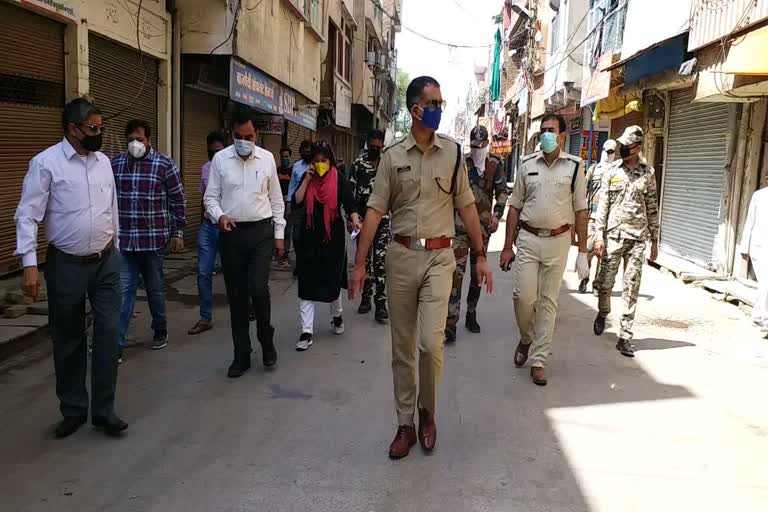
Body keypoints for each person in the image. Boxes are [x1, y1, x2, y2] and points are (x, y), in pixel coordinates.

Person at [349, 76, 493, 459]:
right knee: (402, 349)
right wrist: (360, 264)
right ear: (415, 109)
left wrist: (481, 255)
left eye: (442, 103)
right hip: (400, 258)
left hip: (440, 258)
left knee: (431, 344)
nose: (439, 109)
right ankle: (405, 424)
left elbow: (466, 207)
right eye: (434, 103)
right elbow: (375, 211)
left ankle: (427, 413)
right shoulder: (393, 156)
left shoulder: (453, 153)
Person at [15, 97, 127, 438]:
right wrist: (29, 264)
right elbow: (28, 214)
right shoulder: (46, 164)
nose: (99, 134)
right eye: (93, 129)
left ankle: (104, 411)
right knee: (68, 340)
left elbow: (112, 207)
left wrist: (117, 248)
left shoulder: (104, 162)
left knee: (109, 335)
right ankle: (74, 409)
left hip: (106, 261)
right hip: (66, 265)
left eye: (101, 128)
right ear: (72, 129)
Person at [500, 113, 589, 387]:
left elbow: (581, 210)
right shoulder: (527, 165)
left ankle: (538, 360)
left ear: (562, 135)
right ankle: (526, 337)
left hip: (559, 241)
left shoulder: (574, 167)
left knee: (548, 302)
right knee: (523, 297)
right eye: (542, 131)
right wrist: (506, 246)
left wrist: (583, 253)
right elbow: (514, 207)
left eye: (550, 130)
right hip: (527, 239)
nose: (545, 135)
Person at [204, 110, 285, 378]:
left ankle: (266, 338)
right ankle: (241, 354)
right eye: (238, 137)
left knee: (258, 288)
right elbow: (210, 198)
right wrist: (220, 215)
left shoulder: (267, 159)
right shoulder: (220, 160)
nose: (243, 141)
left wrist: (279, 235)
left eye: (248, 136)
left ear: (256, 135)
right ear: (232, 134)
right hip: (232, 233)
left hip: (261, 233)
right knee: (237, 296)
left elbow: (276, 200)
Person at [112, 120, 186, 360]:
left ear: (149, 141)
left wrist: (178, 233)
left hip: (152, 242)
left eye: (140, 139)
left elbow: (178, 200)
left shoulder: (164, 165)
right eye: (131, 139)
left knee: (155, 290)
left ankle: (160, 330)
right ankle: (116, 344)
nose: (135, 144)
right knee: (123, 292)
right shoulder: (115, 165)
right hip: (124, 243)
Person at [592, 126, 659, 357]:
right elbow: (603, 207)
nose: (621, 148)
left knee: (632, 288)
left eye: (626, 145)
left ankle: (625, 336)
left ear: (637, 147)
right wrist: (598, 236)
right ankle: (603, 312)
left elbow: (652, 207)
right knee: (605, 283)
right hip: (613, 237)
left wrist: (655, 241)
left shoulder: (648, 173)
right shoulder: (612, 171)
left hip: (637, 239)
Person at [293, 142, 362, 350]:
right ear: (311, 163)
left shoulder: (338, 179)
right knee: (306, 283)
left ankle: (337, 316)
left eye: (324, 161)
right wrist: (307, 179)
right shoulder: (309, 180)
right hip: (309, 236)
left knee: (332, 278)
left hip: (332, 238)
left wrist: (355, 219)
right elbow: (296, 201)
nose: (321, 165)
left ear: (330, 161)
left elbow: (350, 204)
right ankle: (306, 332)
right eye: (316, 161)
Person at [445, 125, 509, 342]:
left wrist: (497, 214)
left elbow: (502, 192)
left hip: (482, 230)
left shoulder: (495, 164)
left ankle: (471, 313)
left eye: (480, 146)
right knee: (455, 275)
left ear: (487, 144)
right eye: (473, 146)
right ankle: (450, 322)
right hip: (460, 229)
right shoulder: (462, 163)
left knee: (476, 276)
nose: (477, 150)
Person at [188, 131, 227, 335]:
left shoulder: (233, 168)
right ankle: (205, 317)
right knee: (203, 272)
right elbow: (204, 198)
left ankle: (246, 305)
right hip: (208, 226)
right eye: (210, 152)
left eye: (218, 151)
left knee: (234, 271)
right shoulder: (205, 168)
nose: (214, 156)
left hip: (228, 228)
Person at [349, 129, 390, 321]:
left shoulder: (387, 163)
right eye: (372, 146)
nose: (375, 149)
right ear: (368, 144)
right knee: (364, 259)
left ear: (382, 144)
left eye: (378, 146)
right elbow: (351, 194)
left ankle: (381, 303)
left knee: (381, 261)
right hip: (364, 220)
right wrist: (352, 217)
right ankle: (365, 299)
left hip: (383, 220)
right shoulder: (358, 164)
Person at [581, 139, 617, 294]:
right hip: (592, 218)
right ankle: (584, 278)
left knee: (602, 254)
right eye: (606, 151)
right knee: (589, 250)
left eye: (611, 152)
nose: (608, 155)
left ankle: (597, 284)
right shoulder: (593, 169)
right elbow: (582, 191)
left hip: (609, 221)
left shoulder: (617, 172)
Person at [740, 172, 768, 337]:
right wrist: (745, 247)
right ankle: (764, 320)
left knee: (765, 284)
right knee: (766, 283)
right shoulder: (759, 196)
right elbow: (750, 221)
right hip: (759, 247)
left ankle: (758, 315)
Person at [288, 140, 313, 275]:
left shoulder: (317, 165)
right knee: (296, 236)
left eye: (309, 151)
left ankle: (308, 264)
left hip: (313, 206)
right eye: (304, 151)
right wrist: (288, 203)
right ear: (300, 152)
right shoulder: (297, 166)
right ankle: (299, 262)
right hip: (298, 205)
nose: (307, 153)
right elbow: (292, 185)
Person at [277, 146, 294, 269]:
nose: (285, 159)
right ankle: (278, 253)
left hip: (289, 205)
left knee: (287, 231)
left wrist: (289, 201)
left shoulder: (293, 171)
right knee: (278, 230)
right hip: (278, 205)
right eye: (283, 157)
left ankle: (285, 256)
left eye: (287, 157)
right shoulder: (277, 170)